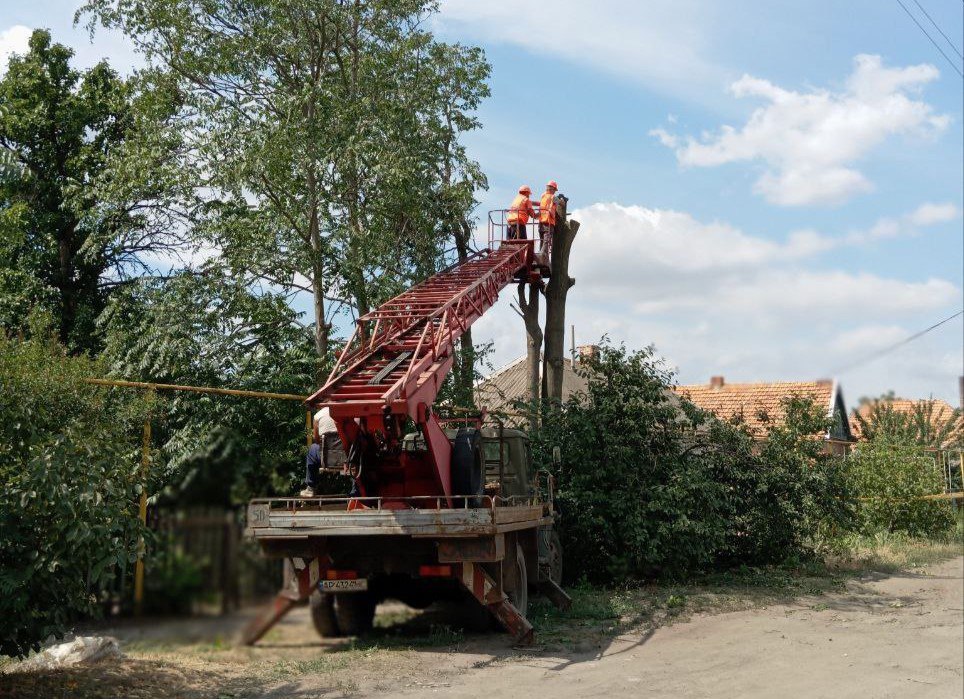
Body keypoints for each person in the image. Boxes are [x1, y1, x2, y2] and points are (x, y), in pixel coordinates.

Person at [299, 407, 339, 497]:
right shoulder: (348, 411)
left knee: (312, 449)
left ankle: (311, 487)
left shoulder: (318, 415)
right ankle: (356, 490)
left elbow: (317, 440)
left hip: (326, 456)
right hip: (347, 456)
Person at [538, 180, 558, 255]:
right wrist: (562, 200)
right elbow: (560, 203)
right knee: (546, 241)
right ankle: (542, 255)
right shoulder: (554, 197)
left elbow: (541, 206)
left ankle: (541, 254)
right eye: (555, 190)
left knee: (542, 240)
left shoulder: (543, 196)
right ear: (552, 189)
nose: (555, 191)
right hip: (549, 222)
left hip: (541, 222)